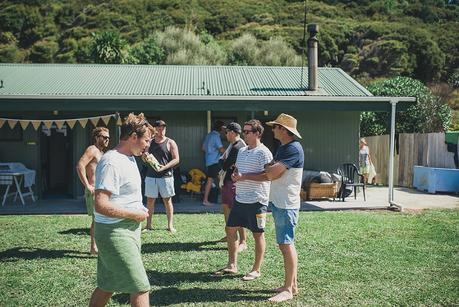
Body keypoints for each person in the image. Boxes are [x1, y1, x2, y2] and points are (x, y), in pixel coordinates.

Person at [89, 113, 153, 307]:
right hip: (114, 232)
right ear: (133, 136)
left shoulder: (130, 158)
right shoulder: (111, 161)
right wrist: (136, 214)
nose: (147, 145)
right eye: (146, 140)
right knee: (140, 286)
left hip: (129, 230)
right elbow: (101, 204)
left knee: (108, 284)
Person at [214, 119, 273, 282]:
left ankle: (256, 270)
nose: (244, 135)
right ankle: (232, 265)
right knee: (230, 229)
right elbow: (238, 171)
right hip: (240, 199)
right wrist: (235, 176)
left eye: (247, 132)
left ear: (257, 134)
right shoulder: (242, 151)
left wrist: (244, 177)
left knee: (257, 235)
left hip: (257, 201)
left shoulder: (264, 153)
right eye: (244, 131)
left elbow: (268, 176)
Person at [264, 113, 304, 302]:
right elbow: (271, 170)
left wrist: (270, 168)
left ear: (284, 130)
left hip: (287, 204)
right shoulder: (284, 148)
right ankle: (292, 285)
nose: (272, 129)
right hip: (280, 202)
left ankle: (288, 289)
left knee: (286, 244)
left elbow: (271, 173)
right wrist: (271, 168)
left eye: (275, 126)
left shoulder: (292, 149)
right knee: (284, 244)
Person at [76, 127, 110, 255]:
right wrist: (87, 185)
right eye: (104, 137)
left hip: (102, 191)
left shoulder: (101, 152)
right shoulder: (92, 149)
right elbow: (80, 165)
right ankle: (94, 248)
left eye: (108, 138)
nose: (107, 140)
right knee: (98, 219)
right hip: (94, 190)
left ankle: (95, 247)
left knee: (100, 218)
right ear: (96, 137)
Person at [143, 120, 179, 233]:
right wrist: (144, 156)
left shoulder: (171, 142)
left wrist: (164, 167)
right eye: (159, 128)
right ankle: (148, 225)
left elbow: (176, 159)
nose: (161, 129)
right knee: (150, 201)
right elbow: (144, 158)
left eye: (163, 127)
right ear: (155, 129)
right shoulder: (149, 142)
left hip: (166, 177)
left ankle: (170, 226)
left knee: (167, 201)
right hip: (151, 176)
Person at [218, 122, 247, 252]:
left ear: (233, 133)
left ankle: (243, 241)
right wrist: (226, 163)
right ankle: (230, 234)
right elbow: (222, 162)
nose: (225, 135)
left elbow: (224, 165)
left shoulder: (238, 147)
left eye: (227, 132)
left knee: (236, 211)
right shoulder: (232, 146)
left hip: (234, 183)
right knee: (226, 208)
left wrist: (226, 163)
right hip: (227, 181)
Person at [202, 120, 225, 206]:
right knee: (222, 180)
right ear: (221, 128)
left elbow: (203, 148)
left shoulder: (209, 135)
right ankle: (225, 200)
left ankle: (206, 200)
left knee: (211, 180)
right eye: (224, 128)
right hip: (215, 162)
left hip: (209, 161)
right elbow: (221, 149)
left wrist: (211, 151)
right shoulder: (216, 136)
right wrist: (230, 153)